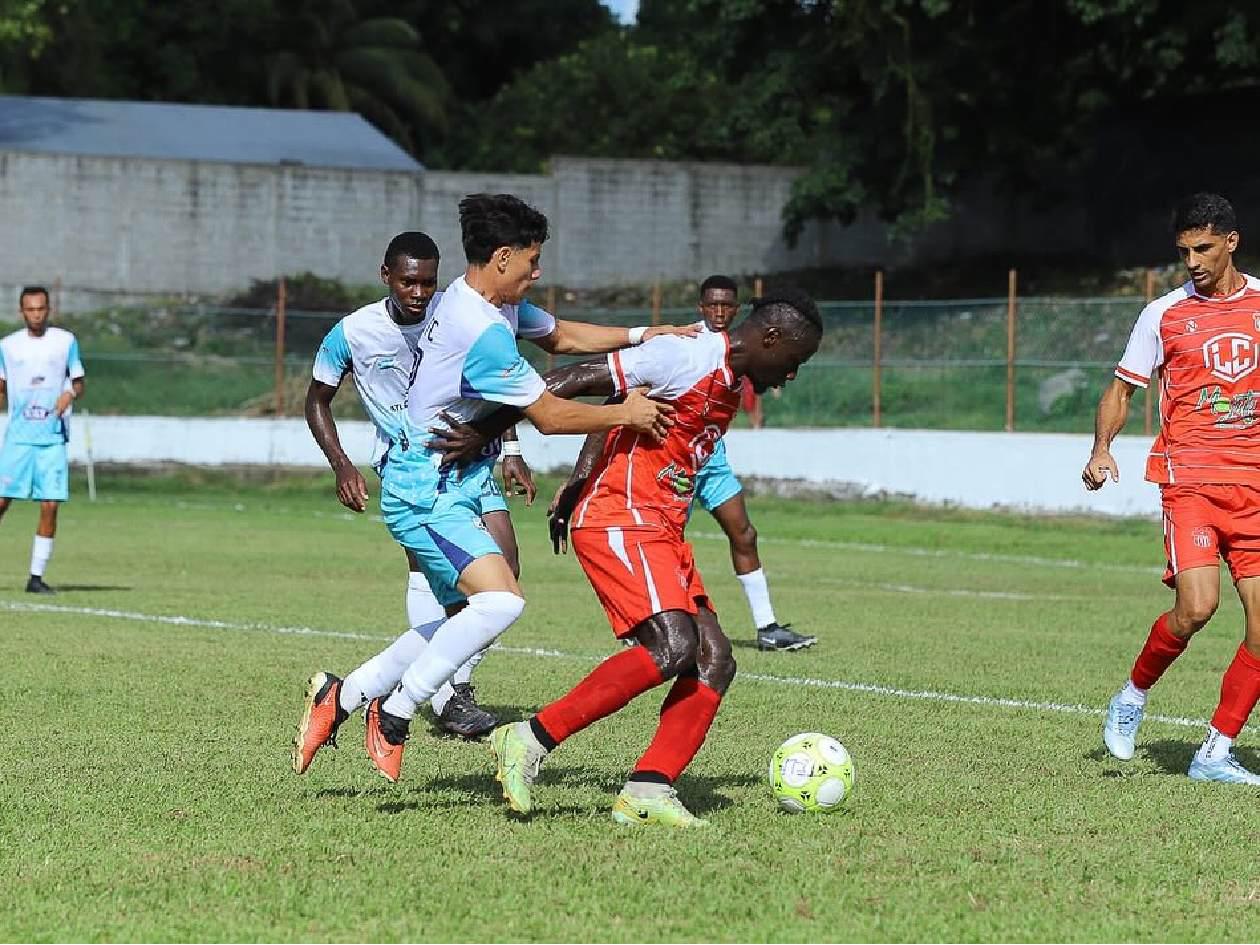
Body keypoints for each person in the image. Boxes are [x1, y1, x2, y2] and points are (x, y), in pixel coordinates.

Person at [292, 194, 676, 782]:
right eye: (532, 259)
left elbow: (561, 337)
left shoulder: (475, 303)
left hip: (458, 477)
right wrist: (626, 414)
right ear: (502, 257)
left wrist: (645, 335)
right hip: (425, 488)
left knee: (461, 616)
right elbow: (549, 414)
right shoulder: (479, 328)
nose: (537, 271)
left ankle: (341, 697)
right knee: (501, 602)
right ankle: (395, 713)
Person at [488, 289, 823, 827]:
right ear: (771, 338)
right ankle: (528, 738)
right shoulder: (686, 354)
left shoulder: (729, 381)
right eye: (794, 360)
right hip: (620, 517)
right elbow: (574, 381)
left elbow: (622, 408)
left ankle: (649, 789)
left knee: (715, 658)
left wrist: (578, 475)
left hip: (662, 528)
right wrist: (493, 437)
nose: (792, 374)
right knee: (673, 646)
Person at [1086, 192, 1260, 785]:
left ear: (1231, 242)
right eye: (1184, 251)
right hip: (1191, 484)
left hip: (1255, 489)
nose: (1193, 261)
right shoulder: (1163, 314)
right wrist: (1102, 449)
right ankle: (1132, 695)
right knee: (1197, 608)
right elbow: (1121, 389)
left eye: (1204, 248)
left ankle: (1214, 753)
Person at [553, 275, 816, 652]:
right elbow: (617, 405)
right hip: (657, 468)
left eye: (727, 305)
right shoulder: (686, 348)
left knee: (743, 534)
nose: (720, 311)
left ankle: (766, 626)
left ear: (737, 311)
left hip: (707, 457)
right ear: (701, 308)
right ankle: (654, 621)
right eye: (713, 305)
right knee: (657, 542)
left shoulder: (744, 357)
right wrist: (579, 478)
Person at [0, 286, 85, 593]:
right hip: (19, 439)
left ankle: (35, 578)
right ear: (22, 312)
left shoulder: (65, 341)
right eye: (30, 309)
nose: (36, 314)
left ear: (49, 310)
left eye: (41, 309)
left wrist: (68, 393)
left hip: (52, 439)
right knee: (1, 501)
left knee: (50, 505)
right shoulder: (7, 346)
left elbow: (78, 382)